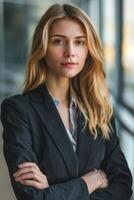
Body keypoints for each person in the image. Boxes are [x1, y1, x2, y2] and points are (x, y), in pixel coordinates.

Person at [1, 3, 133, 200]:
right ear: (43, 46)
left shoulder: (100, 109)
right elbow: (32, 197)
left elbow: (123, 186)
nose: (70, 51)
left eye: (79, 42)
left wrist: (53, 190)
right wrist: (94, 180)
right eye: (58, 41)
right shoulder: (17, 110)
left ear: (89, 49)